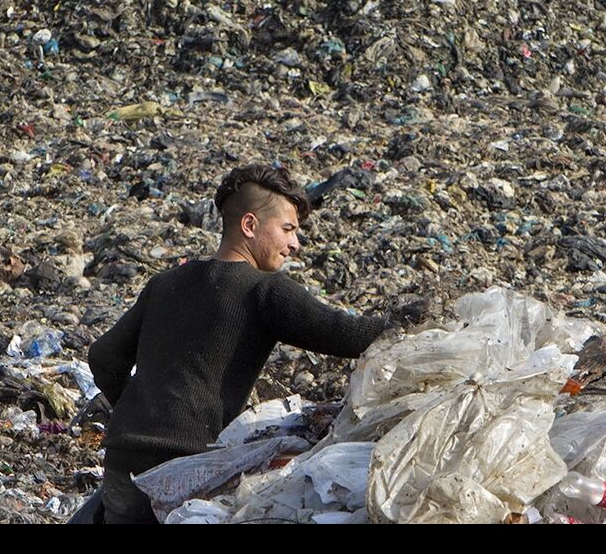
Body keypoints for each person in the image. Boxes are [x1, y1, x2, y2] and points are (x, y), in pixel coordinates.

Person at [87, 163, 396, 523]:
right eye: (287, 229)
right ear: (249, 225)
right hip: (187, 468)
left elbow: (103, 355)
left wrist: (135, 408)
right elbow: (348, 335)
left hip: (123, 456)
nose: (295, 244)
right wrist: (422, 323)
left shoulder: (166, 282)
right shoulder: (263, 290)